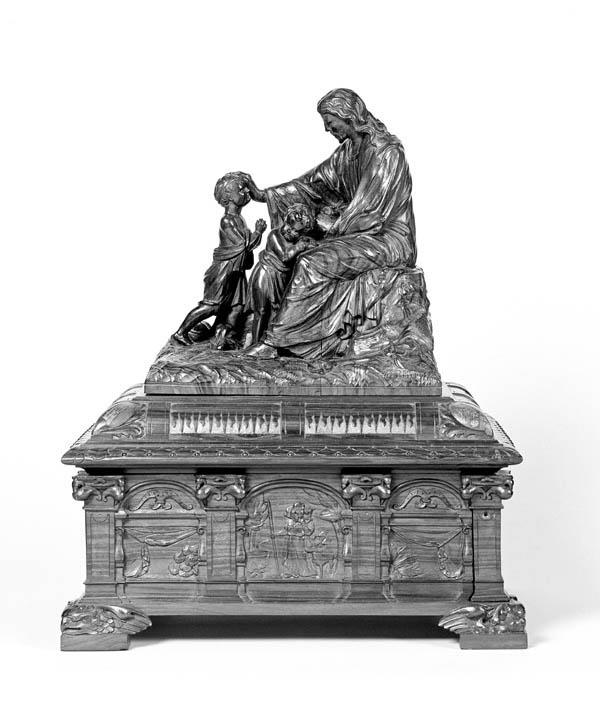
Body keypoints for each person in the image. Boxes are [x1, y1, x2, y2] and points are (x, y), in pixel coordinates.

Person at [242, 88, 417, 358]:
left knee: (312, 262)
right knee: (293, 248)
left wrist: (328, 227)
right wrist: (264, 195)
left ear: (349, 116)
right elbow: (312, 184)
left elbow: (371, 212)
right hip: (356, 233)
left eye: (330, 122)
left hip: (387, 240)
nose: (327, 129)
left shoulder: (387, 153)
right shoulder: (347, 152)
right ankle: (275, 333)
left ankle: (277, 342)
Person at [172, 172, 266, 347]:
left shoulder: (239, 219)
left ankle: (224, 333)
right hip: (224, 270)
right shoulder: (227, 221)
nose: (247, 192)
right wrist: (258, 232)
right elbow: (243, 245)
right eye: (241, 189)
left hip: (236, 271)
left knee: (237, 306)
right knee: (212, 306)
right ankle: (181, 332)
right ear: (228, 198)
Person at [247, 203, 317, 345]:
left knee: (277, 312)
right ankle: (254, 344)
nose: (289, 231)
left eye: (295, 231)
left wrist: (309, 244)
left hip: (281, 279)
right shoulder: (274, 235)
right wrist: (300, 246)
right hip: (265, 275)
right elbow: (285, 256)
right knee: (261, 311)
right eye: (288, 226)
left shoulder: (299, 240)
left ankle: (268, 344)